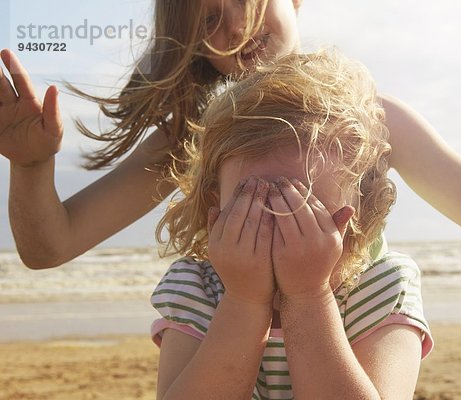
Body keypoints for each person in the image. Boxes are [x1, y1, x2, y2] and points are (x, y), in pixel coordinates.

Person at [1, 0, 461, 268]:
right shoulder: (190, 138)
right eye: (209, 18)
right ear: (191, 42)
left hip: (354, 345)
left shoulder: (371, 117)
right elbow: (49, 247)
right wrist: (31, 168)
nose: (236, 25)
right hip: (223, 355)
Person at [151, 49, 433, 399]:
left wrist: (309, 296)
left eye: (307, 213)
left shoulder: (382, 286)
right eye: (252, 208)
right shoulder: (196, 290)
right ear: (215, 207)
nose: (280, 231)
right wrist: (243, 300)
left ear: (358, 214)